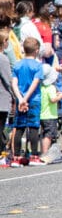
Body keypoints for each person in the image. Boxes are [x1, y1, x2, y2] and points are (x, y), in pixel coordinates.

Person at [11, 37, 46, 166]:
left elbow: (14, 83)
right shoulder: (38, 66)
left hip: (20, 99)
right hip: (33, 100)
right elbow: (35, 83)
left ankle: (16, 157)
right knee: (33, 127)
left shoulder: (18, 65)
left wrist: (20, 98)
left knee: (19, 127)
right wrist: (26, 99)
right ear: (36, 50)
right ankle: (34, 156)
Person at [38, 63, 62, 160]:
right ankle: (45, 153)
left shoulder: (41, 88)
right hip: (50, 115)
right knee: (48, 135)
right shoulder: (51, 88)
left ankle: (43, 151)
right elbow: (53, 100)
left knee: (44, 133)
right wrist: (60, 96)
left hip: (42, 114)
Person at [0, 28, 13, 166]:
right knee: (2, 129)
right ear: (4, 42)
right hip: (2, 98)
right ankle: (2, 155)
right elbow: (8, 80)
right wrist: (16, 96)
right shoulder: (3, 59)